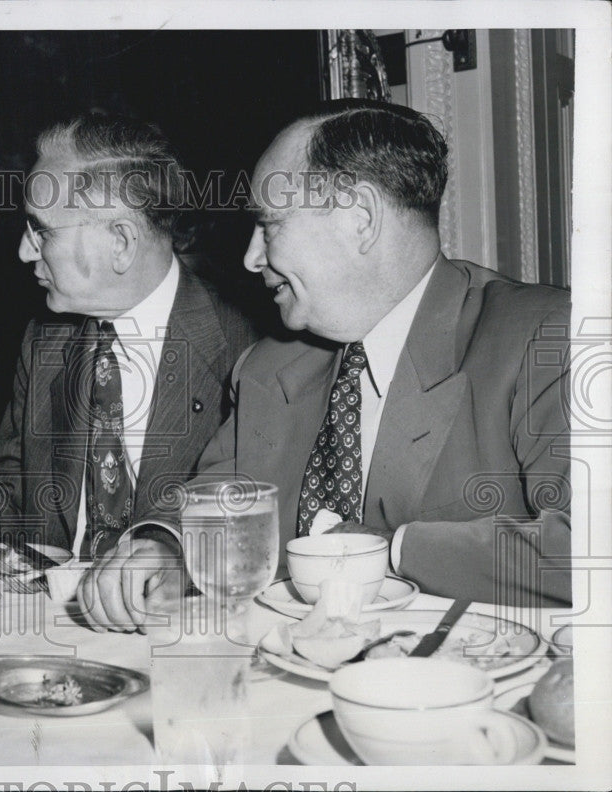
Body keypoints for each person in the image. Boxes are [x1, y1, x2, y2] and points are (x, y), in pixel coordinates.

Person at [81, 99, 571, 631]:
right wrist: (170, 549)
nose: (251, 258)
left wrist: (391, 550)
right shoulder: (268, 367)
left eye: (269, 225)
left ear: (360, 219)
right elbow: (217, 506)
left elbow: (589, 544)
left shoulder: (543, 336)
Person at [0, 113, 256, 559]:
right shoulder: (47, 342)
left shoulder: (244, 345)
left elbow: (251, 536)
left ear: (121, 243)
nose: (23, 250)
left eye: (42, 230)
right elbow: (12, 520)